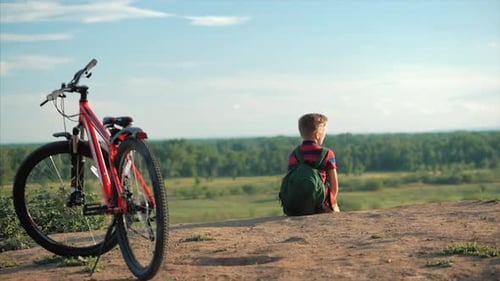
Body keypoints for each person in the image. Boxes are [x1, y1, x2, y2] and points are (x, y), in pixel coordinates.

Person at [287, 113, 340, 213]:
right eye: (324, 133)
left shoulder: (294, 154)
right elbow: (334, 186)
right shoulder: (327, 154)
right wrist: (330, 204)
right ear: (317, 135)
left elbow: (291, 181)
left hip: (299, 206)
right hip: (323, 205)